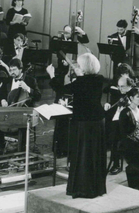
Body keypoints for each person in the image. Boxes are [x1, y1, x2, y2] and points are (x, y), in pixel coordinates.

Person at [47, 53, 106, 198]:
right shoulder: (99, 79)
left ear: (84, 67)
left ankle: (82, 189)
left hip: (83, 123)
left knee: (82, 155)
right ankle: (95, 188)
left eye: (79, 65)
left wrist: (51, 75)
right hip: (97, 122)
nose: (76, 67)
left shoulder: (81, 82)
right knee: (93, 155)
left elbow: (61, 89)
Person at [0, 58, 40, 152]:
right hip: (8, 110)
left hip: (22, 112)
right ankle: (0, 142)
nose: (12, 72)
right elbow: (0, 94)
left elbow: (38, 96)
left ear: (21, 69)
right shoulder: (7, 80)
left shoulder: (30, 80)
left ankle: (23, 146)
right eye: (10, 70)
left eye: (14, 70)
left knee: (23, 119)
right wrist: (2, 100)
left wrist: (28, 88)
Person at [104, 76, 134, 175]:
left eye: (123, 87)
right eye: (119, 86)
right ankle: (115, 163)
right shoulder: (117, 93)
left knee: (116, 136)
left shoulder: (134, 94)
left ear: (129, 86)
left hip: (129, 124)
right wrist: (107, 104)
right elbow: (112, 103)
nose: (120, 89)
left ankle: (128, 163)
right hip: (116, 121)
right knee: (112, 137)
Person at [119, 88, 139, 191]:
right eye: (138, 96)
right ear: (131, 98)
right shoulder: (125, 113)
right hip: (129, 144)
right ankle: (137, 184)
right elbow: (123, 134)